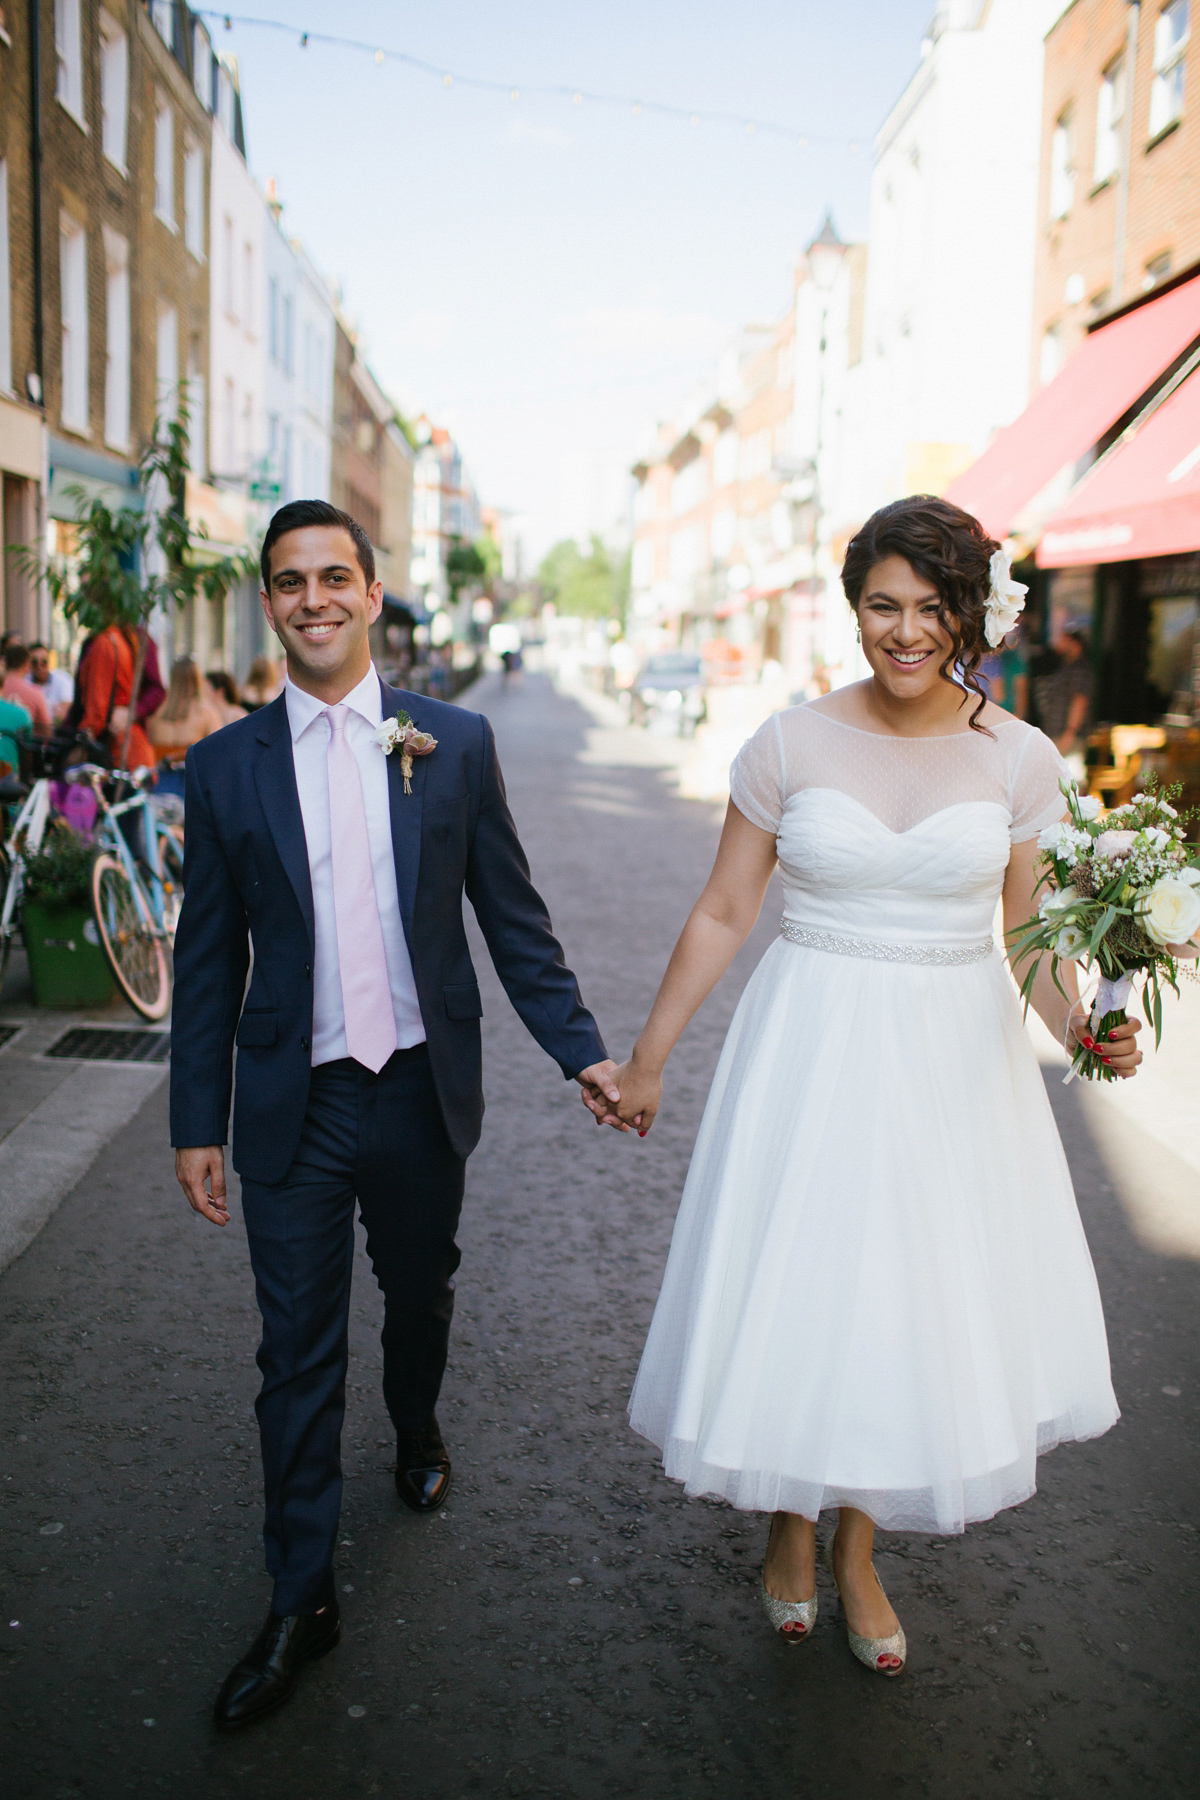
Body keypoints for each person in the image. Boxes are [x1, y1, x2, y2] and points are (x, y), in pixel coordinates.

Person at [582, 497, 1140, 1678]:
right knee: (813, 1274)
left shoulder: (1022, 756)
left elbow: (1031, 934)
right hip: (812, 1040)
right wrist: (648, 1057)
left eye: (934, 609)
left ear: (972, 616)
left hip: (952, 1057)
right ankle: (790, 1524)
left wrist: (1087, 1030)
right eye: (884, 605)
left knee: (903, 1292)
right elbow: (727, 907)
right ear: (853, 610)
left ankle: (856, 1550)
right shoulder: (788, 743)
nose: (906, 632)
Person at [169, 499, 618, 1730]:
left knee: (419, 1294)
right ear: (270, 603)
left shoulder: (452, 743)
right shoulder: (223, 767)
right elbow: (207, 957)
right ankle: (299, 1596)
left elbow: (512, 922)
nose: (312, 599)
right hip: (293, 1105)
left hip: (418, 1090)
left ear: (372, 593)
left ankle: (416, 1418)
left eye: (333, 577)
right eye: (288, 582)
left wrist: (583, 1053)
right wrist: (192, 1120)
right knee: (294, 1355)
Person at [78, 620, 154, 769]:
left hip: (117, 748)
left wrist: (84, 738)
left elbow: (97, 710)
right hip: (132, 748)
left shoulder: (106, 642)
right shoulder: (120, 639)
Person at [1034, 622, 1093, 768]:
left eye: (1064, 640)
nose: (1059, 644)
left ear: (1075, 644)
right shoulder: (1066, 667)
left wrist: (1070, 733)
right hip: (1055, 733)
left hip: (1067, 737)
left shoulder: (1080, 670)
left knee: (1070, 780)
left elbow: (1079, 701)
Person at [2, 642, 51, 734]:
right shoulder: (35, 693)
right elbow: (46, 731)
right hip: (25, 746)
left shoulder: (2, 687)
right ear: (26, 664)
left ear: (5, 662)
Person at [28, 642, 74, 723]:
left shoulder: (63, 680)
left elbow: (62, 714)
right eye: (35, 663)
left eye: (44, 662)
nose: (39, 667)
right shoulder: (25, 681)